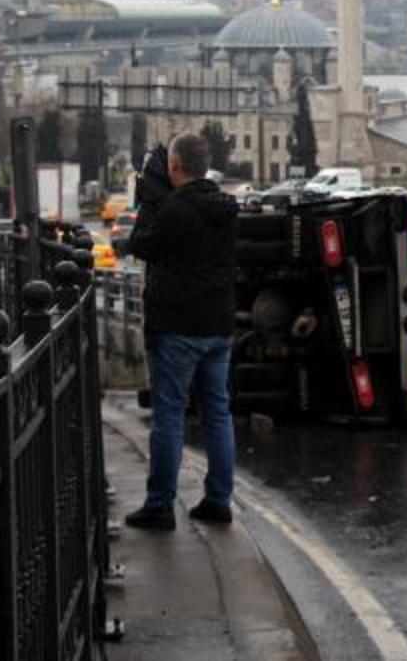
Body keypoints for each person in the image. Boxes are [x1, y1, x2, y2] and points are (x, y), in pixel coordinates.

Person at [124, 134, 239, 531]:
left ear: (174, 166)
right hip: (218, 325)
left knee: (169, 416)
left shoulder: (174, 212)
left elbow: (141, 245)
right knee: (218, 414)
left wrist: (150, 202)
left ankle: (160, 506)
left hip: (177, 327)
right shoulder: (226, 208)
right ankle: (219, 500)